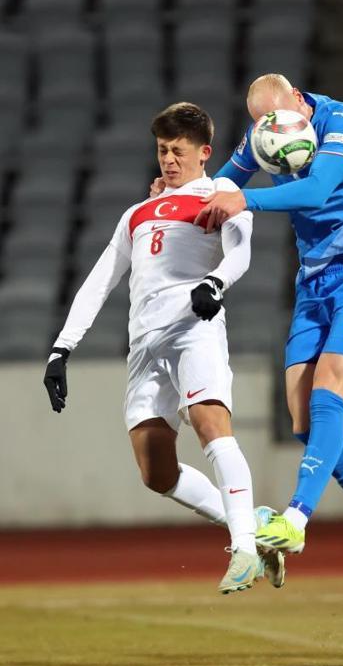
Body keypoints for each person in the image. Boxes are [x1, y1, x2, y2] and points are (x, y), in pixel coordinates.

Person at [186, 73, 343, 587]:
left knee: (328, 390)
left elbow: (315, 191)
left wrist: (246, 201)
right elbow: (223, 183)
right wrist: (179, 197)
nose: (271, 129)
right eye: (261, 124)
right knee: (302, 420)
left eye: (277, 117)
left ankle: (295, 519)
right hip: (314, 283)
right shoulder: (263, 134)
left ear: (298, 99)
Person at [43, 102, 283, 594]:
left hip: (195, 327)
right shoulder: (137, 213)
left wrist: (214, 283)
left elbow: (240, 252)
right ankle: (251, 525)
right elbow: (101, 280)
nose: (169, 160)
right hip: (144, 345)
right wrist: (62, 349)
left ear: (204, 152)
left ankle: (242, 548)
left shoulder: (222, 194)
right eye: (162, 151)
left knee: (211, 425)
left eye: (178, 150)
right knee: (156, 472)